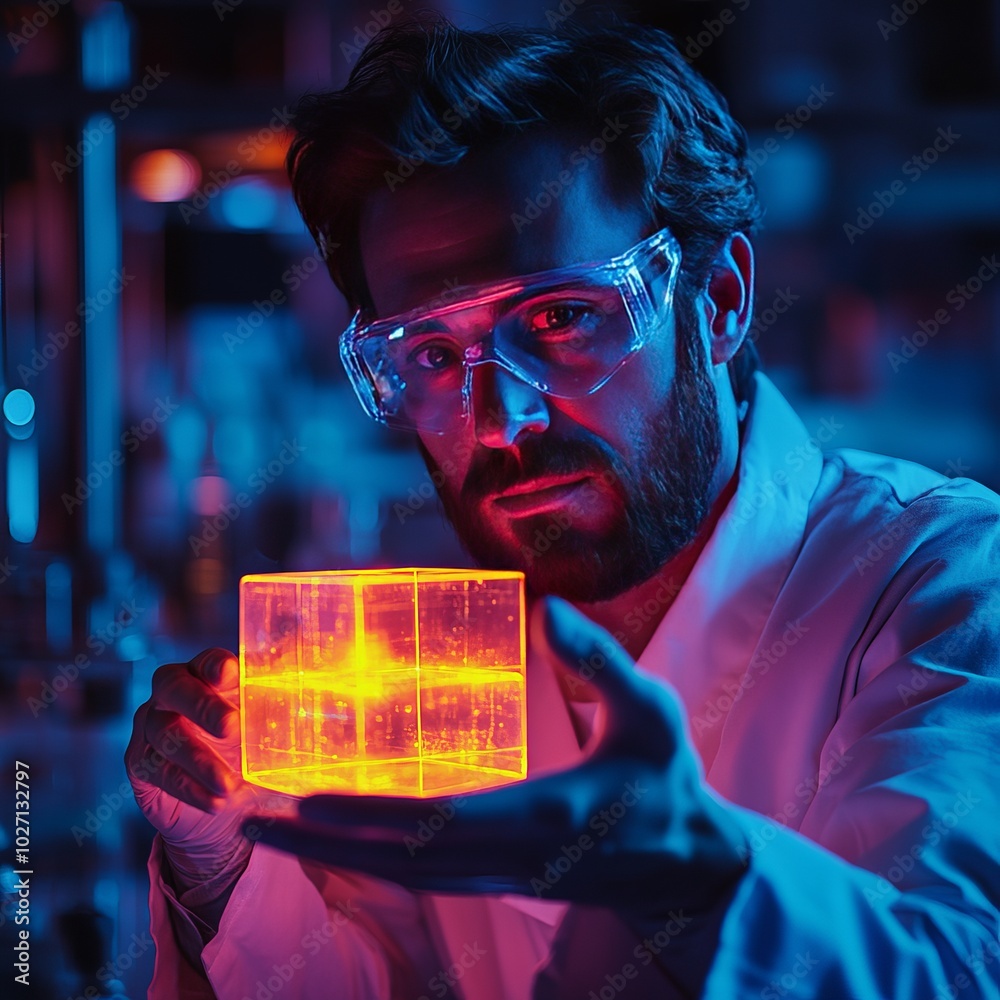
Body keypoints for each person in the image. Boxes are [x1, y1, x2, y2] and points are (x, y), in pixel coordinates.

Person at [126, 15, 1000, 999]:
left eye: (559, 319)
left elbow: (957, 967)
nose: (500, 419)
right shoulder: (433, 650)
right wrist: (223, 863)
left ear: (716, 298)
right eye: (431, 355)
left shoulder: (945, 581)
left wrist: (699, 882)